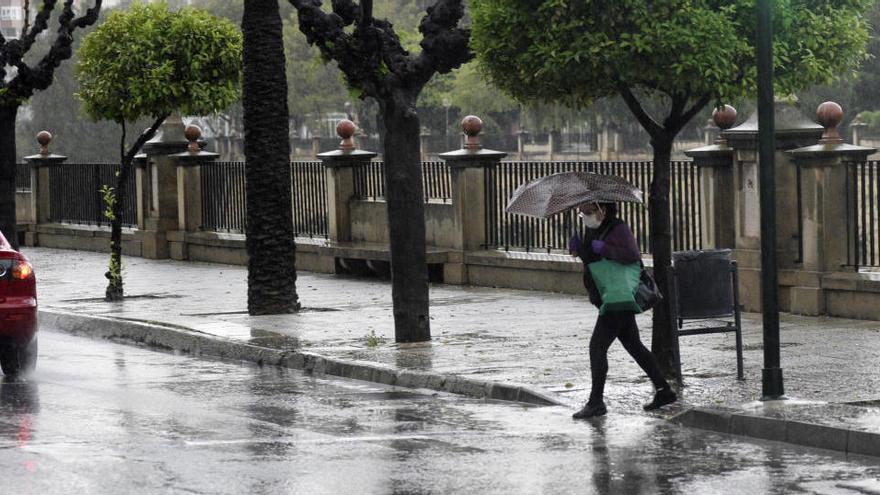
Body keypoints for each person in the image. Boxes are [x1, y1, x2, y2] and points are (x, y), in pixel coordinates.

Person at [569, 201, 677, 419]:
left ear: (603, 210)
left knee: (597, 348)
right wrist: (580, 249)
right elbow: (594, 263)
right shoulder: (594, 230)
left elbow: (632, 255)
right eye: (582, 213)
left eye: (589, 212)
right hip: (609, 297)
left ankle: (596, 402)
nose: (585, 216)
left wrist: (605, 248)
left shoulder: (618, 228)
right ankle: (664, 390)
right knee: (634, 345)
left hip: (618, 298)